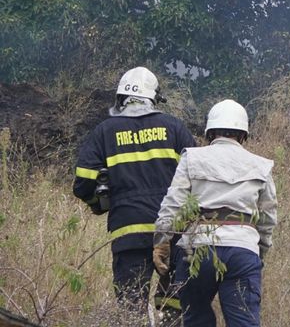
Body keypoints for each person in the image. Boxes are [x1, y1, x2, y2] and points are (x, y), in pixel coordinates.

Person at [73, 66, 196, 321]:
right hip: (171, 233)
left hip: (128, 233)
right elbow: (198, 176)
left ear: (121, 99)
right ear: (154, 97)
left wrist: (99, 203)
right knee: (172, 304)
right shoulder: (174, 127)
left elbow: (83, 183)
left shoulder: (104, 131)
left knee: (131, 308)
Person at [152, 100, 277, 327]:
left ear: (210, 132)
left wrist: (162, 242)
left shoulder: (192, 157)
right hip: (243, 251)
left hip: (198, 249)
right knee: (244, 322)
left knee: (195, 318)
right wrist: (259, 253)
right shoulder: (261, 166)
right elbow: (268, 219)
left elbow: (172, 205)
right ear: (243, 135)